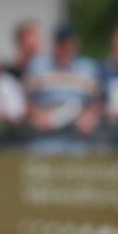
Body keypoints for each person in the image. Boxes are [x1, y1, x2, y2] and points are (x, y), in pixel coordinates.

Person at [25, 24, 101, 154]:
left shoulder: (88, 67)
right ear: (55, 45)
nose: (65, 48)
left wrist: (90, 117)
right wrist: (37, 116)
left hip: (78, 137)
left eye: (69, 44)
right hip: (47, 136)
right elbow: (27, 99)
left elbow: (97, 101)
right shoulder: (38, 66)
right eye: (61, 44)